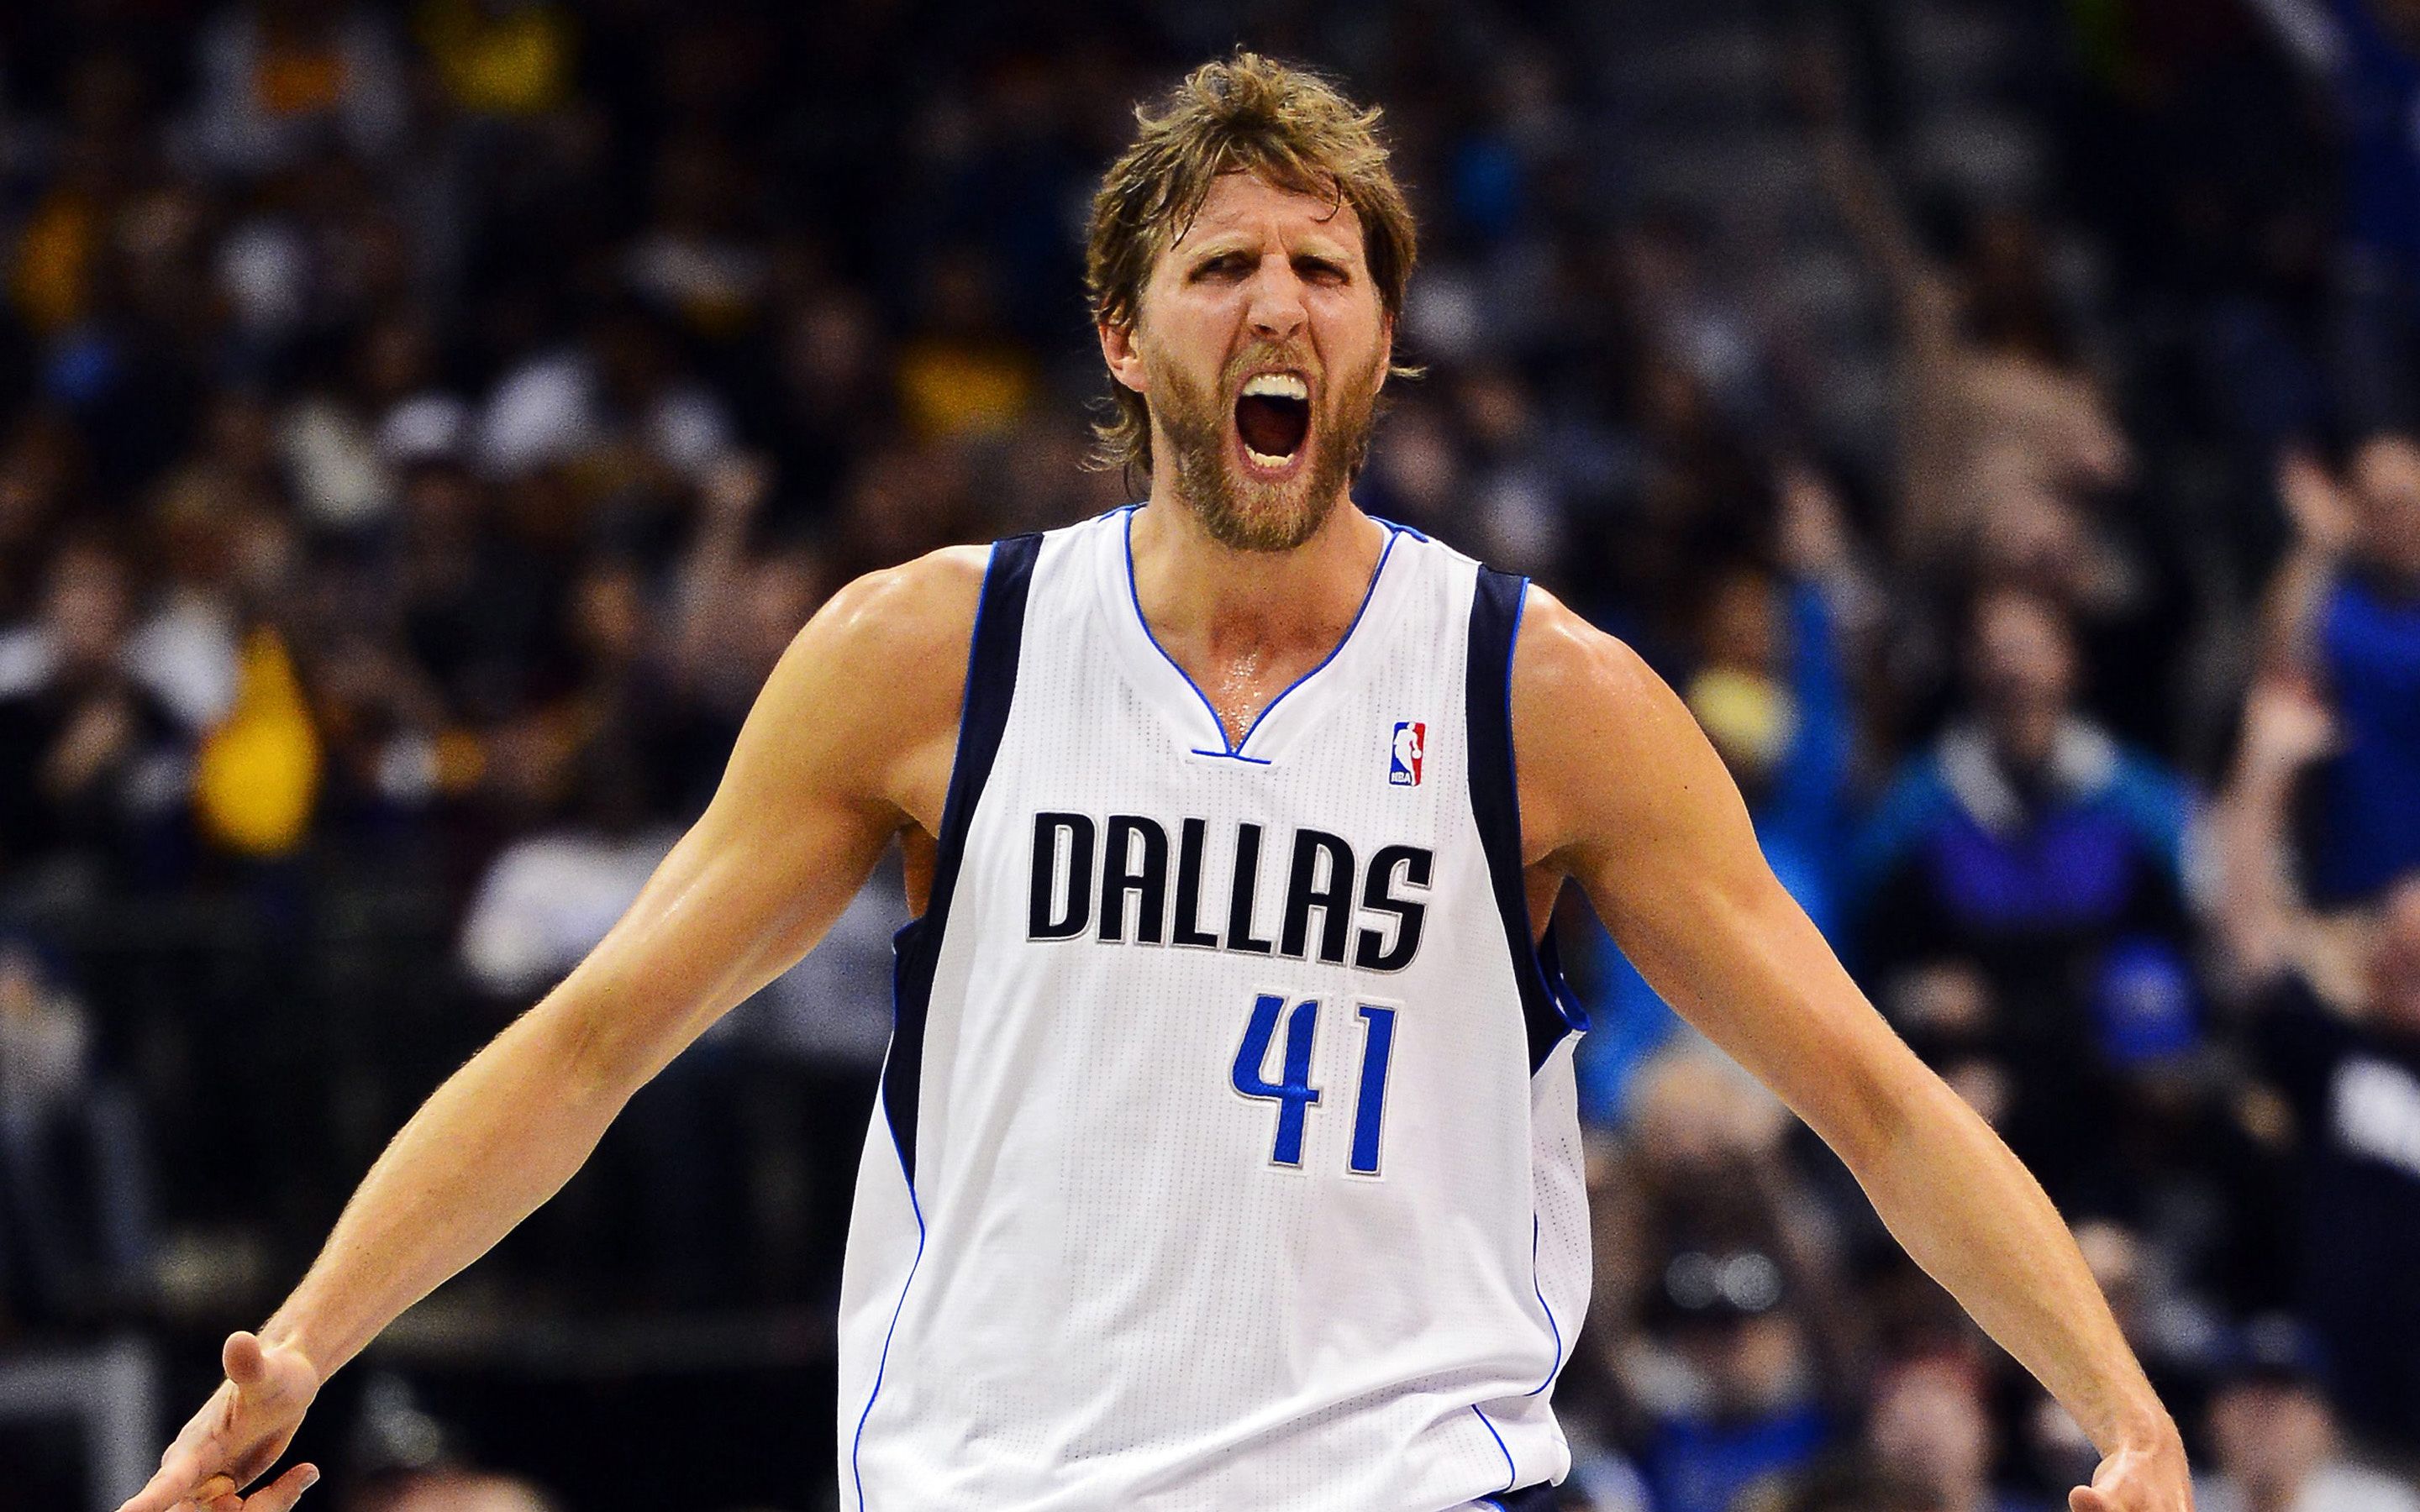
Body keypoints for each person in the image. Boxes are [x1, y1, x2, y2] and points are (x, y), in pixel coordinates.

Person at [121, 55, 2190, 1512]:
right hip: (996, 1479)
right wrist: (301, 1343)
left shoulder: (1538, 694)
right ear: (1125, 334)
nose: (1277, 303)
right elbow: (589, 1045)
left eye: (1326, 269)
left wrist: (2114, 1404)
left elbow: (1871, 1095)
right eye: (1222, 268)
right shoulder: (933, 656)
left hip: (1406, 1483)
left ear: (1387, 340)